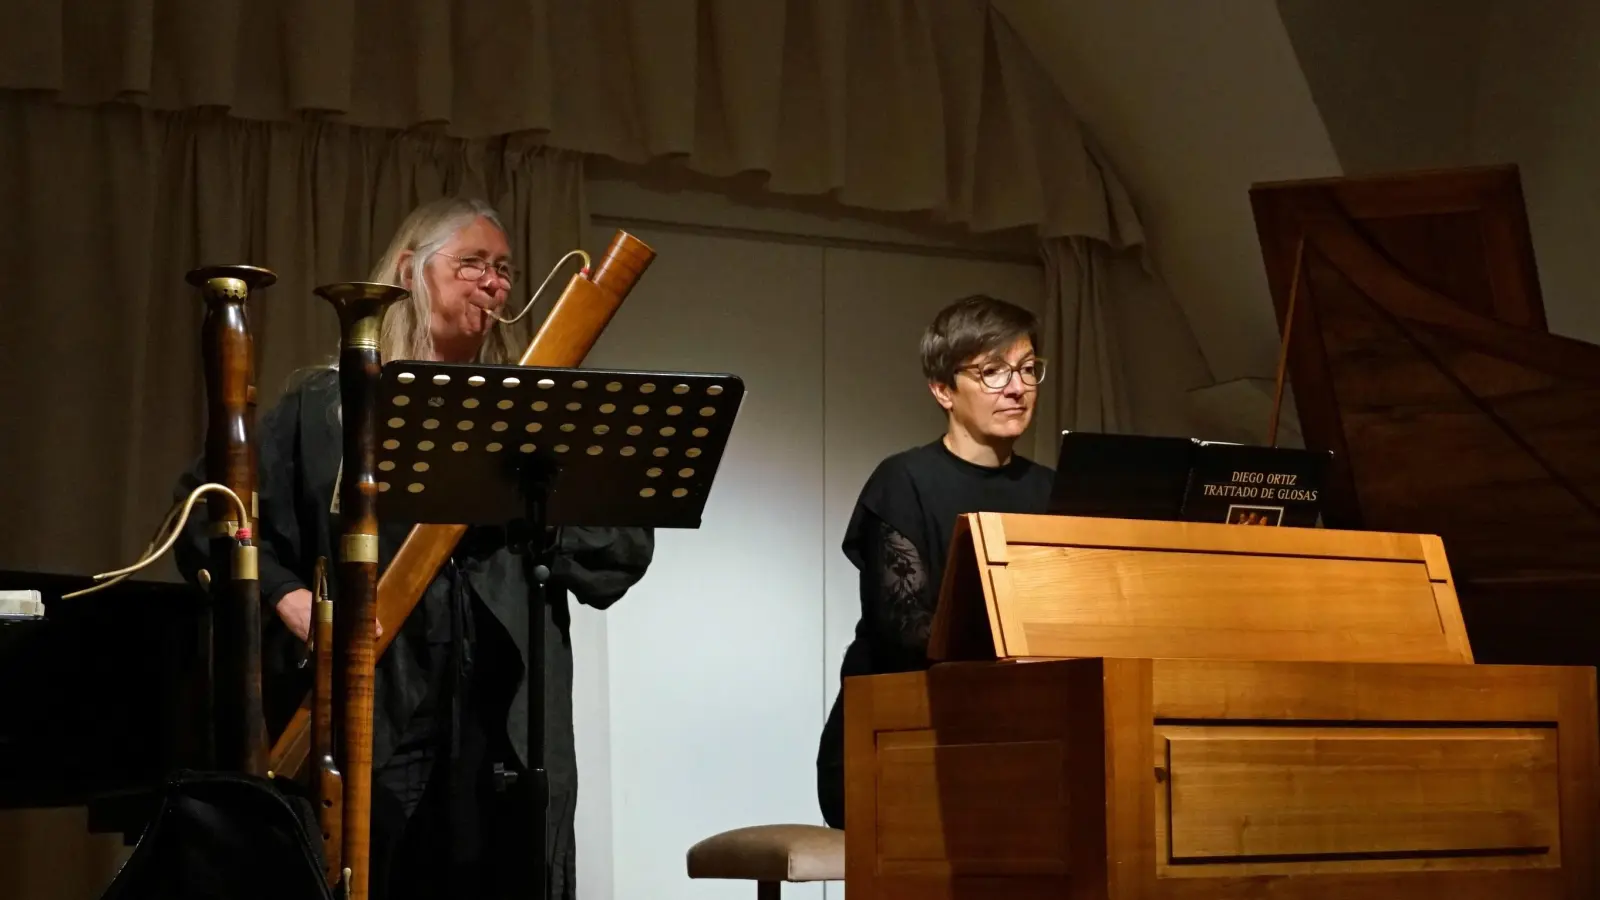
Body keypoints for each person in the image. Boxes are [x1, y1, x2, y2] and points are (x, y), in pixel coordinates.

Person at [171, 197, 654, 899]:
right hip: (376, 719)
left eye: (504, 270)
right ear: (409, 271)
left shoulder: (537, 413)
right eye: (472, 265)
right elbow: (213, 519)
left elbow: (619, 552)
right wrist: (288, 597)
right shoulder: (323, 407)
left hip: (505, 724)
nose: (494, 284)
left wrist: (537, 500)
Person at [815, 294, 1054, 829]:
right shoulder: (902, 480)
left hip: (1016, 732)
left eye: (1027, 369)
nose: (1016, 387)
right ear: (943, 390)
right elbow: (904, 628)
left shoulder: (1052, 490)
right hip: (902, 731)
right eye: (993, 372)